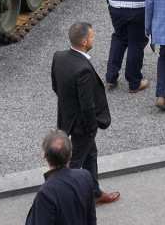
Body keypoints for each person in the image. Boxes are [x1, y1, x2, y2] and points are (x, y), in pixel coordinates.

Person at [50, 23, 119, 206]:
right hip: (83, 126)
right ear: (84, 41)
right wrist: (91, 127)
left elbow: (56, 86)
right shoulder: (83, 69)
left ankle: (95, 193)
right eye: (92, 36)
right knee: (73, 163)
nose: (93, 39)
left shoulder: (59, 56)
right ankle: (60, 201)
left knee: (91, 154)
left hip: (67, 120)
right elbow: (87, 104)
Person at [23, 130, 96, 225]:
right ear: (70, 154)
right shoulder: (85, 176)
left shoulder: (45, 192)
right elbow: (91, 218)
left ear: (44, 155)